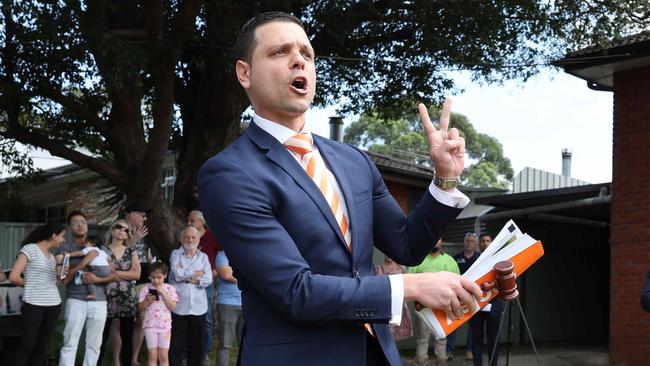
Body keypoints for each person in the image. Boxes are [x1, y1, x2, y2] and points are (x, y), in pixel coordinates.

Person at [197, 11, 481, 366]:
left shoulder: (353, 161)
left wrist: (444, 180)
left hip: (375, 354)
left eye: (307, 53)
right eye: (279, 52)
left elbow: (407, 245)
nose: (298, 60)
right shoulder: (229, 173)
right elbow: (296, 291)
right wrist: (413, 287)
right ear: (245, 73)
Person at [59, 211, 117, 366]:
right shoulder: (65, 250)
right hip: (76, 299)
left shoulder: (101, 248)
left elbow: (114, 275)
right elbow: (63, 280)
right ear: (70, 227)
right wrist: (83, 262)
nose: (80, 225)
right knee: (70, 341)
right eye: (75, 222)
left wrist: (98, 279)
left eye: (83, 222)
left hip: (99, 301)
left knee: (94, 344)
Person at [8, 222, 66, 366]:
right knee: (28, 344)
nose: (63, 240)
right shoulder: (30, 249)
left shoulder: (52, 257)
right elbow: (14, 276)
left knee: (42, 346)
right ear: (53, 236)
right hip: (34, 304)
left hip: (53, 304)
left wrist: (60, 269)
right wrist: (33, 285)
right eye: (62, 236)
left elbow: (55, 284)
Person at [97, 220, 142, 366]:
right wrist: (125, 273)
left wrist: (114, 273)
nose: (122, 230)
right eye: (118, 227)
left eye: (125, 229)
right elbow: (100, 272)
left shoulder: (131, 250)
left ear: (127, 234)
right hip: (105, 297)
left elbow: (136, 275)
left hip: (127, 298)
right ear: (112, 230)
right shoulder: (102, 251)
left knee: (127, 336)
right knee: (101, 337)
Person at [409, 240, 460, 366]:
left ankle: (442, 361)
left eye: (438, 239)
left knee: (441, 335)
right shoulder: (419, 259)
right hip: (423, 306)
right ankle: (421, 361)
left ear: (442, 241)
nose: (435, 242)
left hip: (443, 306)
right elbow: (410, 279)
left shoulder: (449, 261)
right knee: (423, 336)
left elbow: (457, 281)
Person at [169, 227, 212, 366]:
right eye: (187, 237)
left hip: (199, 307)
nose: (190, 240)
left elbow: (208, 279)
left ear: (198, 240)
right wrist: (195, 274)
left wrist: (187, 276)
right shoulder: (175, 254)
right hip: (179, 306)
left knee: (196, 345)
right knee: (177, 344)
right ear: (181, 239)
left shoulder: (203, 257)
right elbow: (176, 274)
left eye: (193, 237)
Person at [187, 210, 222, 362]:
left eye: (192, 220)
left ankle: (205, 351)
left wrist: (213, 272)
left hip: (206, 283)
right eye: (188, 221)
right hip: (188, 283)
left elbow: (222, 256)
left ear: (201, 222)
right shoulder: (187, 237)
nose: (189, 223)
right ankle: (188, 350)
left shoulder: (211, 236)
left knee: (206, 317)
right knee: (188, 315)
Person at [125, 203, 155, 366]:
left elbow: (147, 255)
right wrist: (133, 239)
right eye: (141, 215)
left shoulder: (144, 233)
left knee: (142, 321)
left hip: (144, 282)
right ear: (131, 214)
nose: (145, 218)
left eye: (145, 216)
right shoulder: (120, 229)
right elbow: (117, 253)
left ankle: (134, 359)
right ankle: (117, 359)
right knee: (122, 322)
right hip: (125, 283)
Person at [469, 233, 504, 366]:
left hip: (493, 306)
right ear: (479, 244)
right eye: (483, 241)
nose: (485, 243)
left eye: (488, 241)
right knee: (476, 340)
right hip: (476, 305)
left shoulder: (499, 260)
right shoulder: (474, 260)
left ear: (492, 243)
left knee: (493, 340)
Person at [447, 232, 480, 361]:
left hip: (473, 297)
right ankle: (449, 351)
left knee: (473, 327)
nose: (469, 243)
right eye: (467, 240)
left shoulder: (479, 258)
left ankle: (470, 351)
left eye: (472, 241)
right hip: (457, 296)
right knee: (454, 323)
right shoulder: (456, 258)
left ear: (476, 244)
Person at [138, 262, 178, 366]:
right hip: (150, 325)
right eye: (153, 277)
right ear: (149, 276)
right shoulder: (145, 289)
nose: (156, 280)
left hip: (165, 326)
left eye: (159, 277)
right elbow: (140, 308)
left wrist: (164, 293)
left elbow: (173, 307)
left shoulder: (170, 289)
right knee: (152, 355)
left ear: (165, 276)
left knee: (163, 355)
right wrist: (147, 301)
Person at [374, 256, 413, 342]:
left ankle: (393, 353)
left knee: (396, 330)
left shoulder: (401, 268)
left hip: (400, 304)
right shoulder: (379, 268)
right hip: (385, 304)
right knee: (386, 331)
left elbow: (407, 285)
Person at [215, 251, 243, 366]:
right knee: (225, 345)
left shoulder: (246, 253)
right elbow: (225, 275)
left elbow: (256, 273)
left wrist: (235, 274)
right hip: (227, 304)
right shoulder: (222, 255)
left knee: (245, 344)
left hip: (246, 303)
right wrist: (245, 277)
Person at [67, 235, 111, 300]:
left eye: (86, 242)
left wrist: (68, 254)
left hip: (98, 268)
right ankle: (108, 290)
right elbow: (109, 258)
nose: (84, 244)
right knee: (106, 278)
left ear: (92, 243)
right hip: (107, 269)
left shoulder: (90, 249)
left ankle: (93, 294)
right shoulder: (102, 251)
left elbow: (78, 253)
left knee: (88, 278)